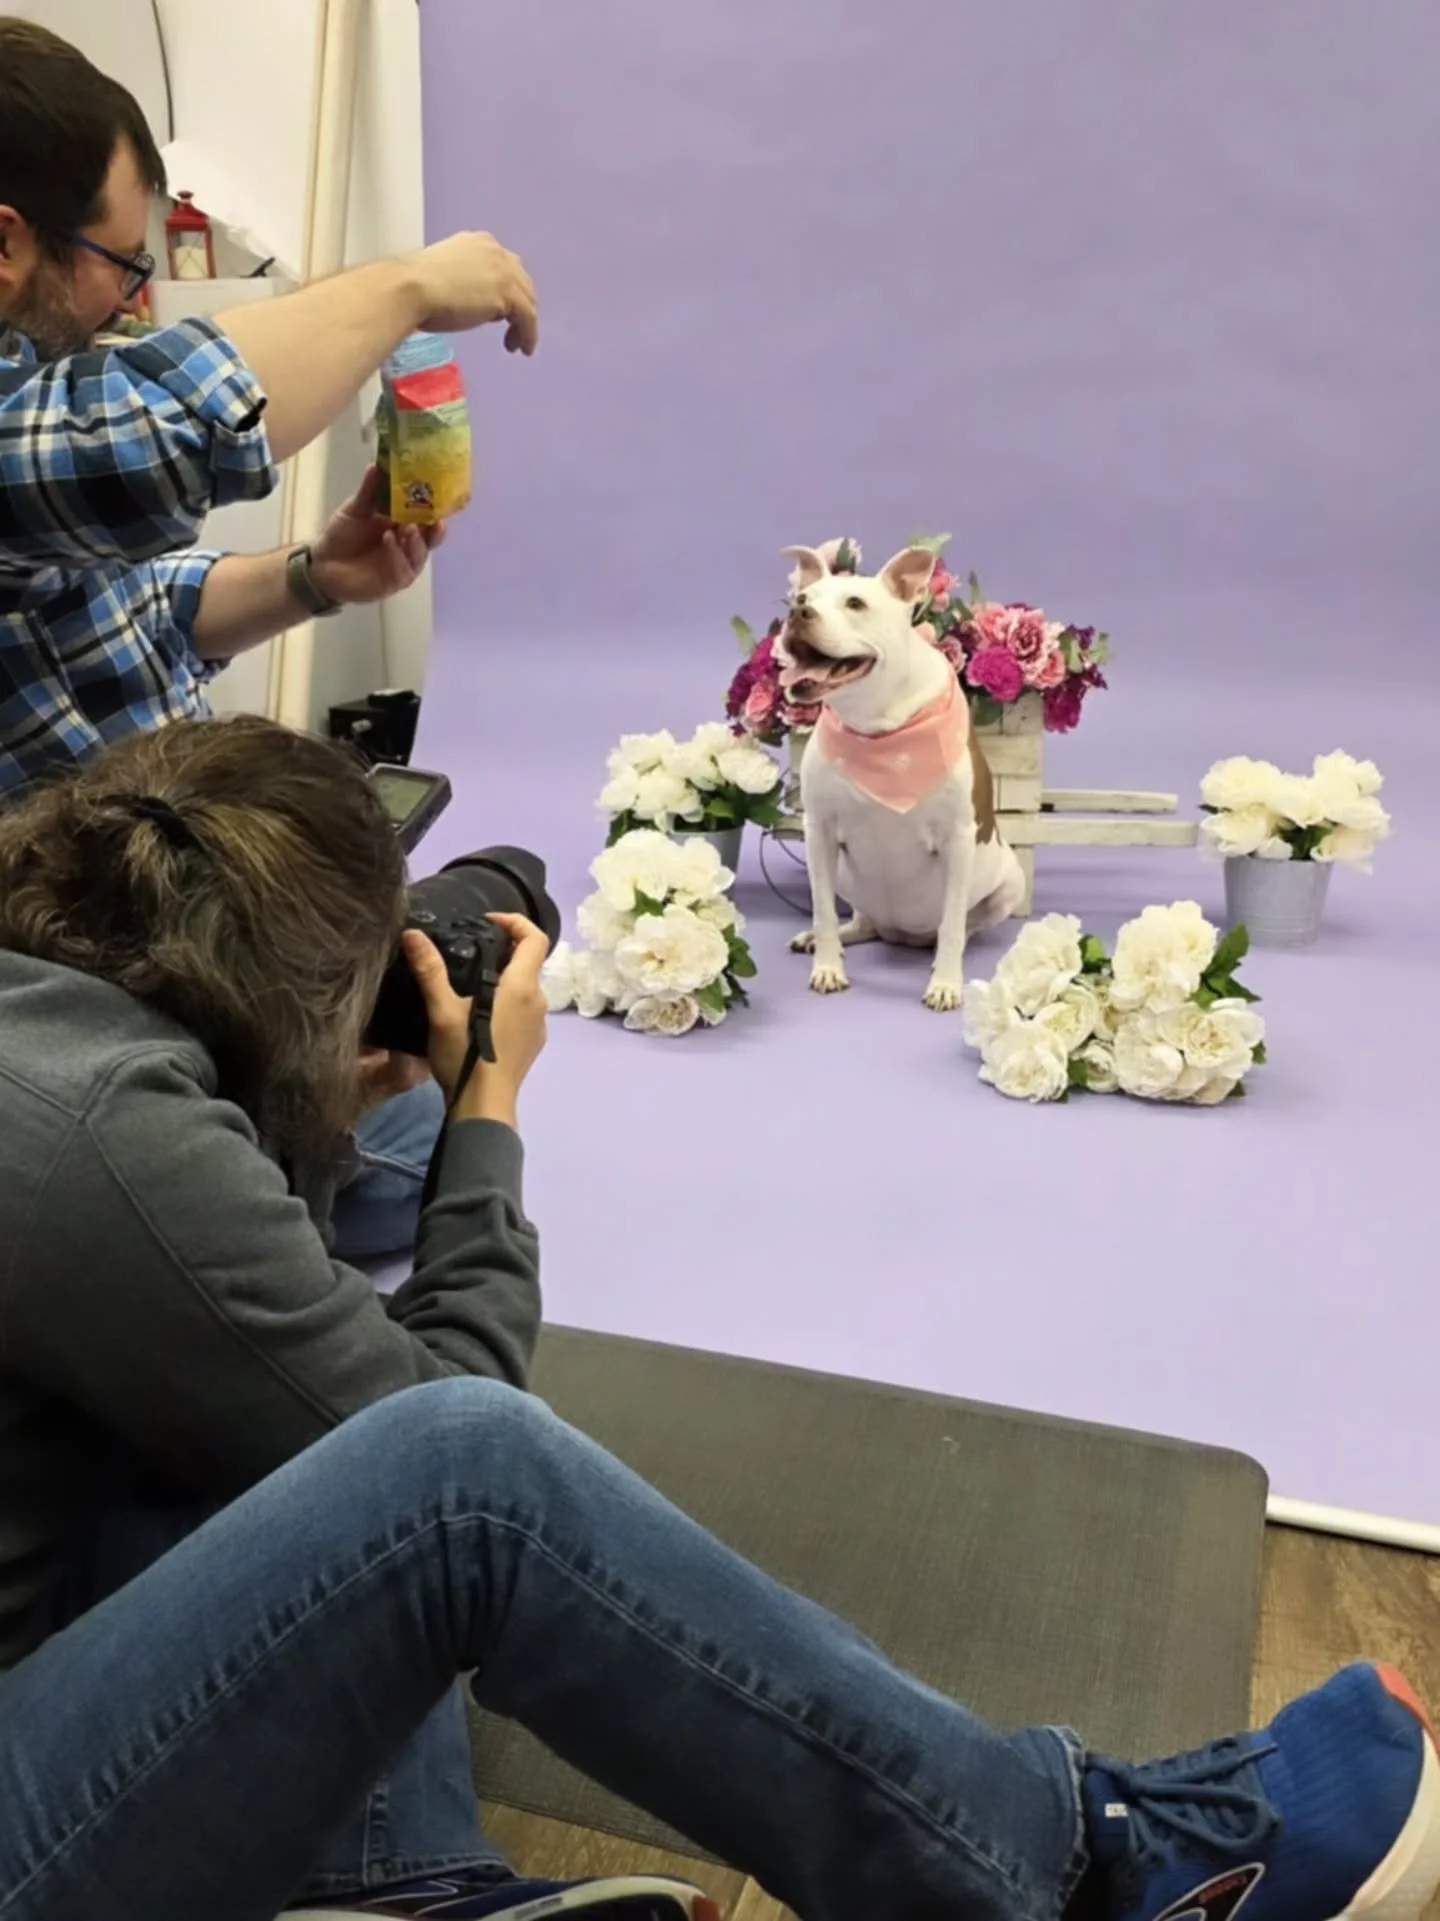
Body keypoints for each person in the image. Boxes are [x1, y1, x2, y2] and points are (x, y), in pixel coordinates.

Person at [0, 716, 1437, 1921]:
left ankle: (392, 1894)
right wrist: (483, 1107)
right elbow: (423, 1419)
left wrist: (310, 1100)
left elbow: (265, 1355)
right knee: (468, 1482)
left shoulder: (51, 1043)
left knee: (211, 1413)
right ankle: (1065, 1871)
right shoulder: (92, 1127)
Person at [0, 16, 539, 1264]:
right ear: (9, 240)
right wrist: (403, 284)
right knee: (427, 1128)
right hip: (70, 991)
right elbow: (158, 438)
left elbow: (115, 612)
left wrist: (312, 575)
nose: (135, 297)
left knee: (466, 942)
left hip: (133, 915)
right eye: (117, 262)